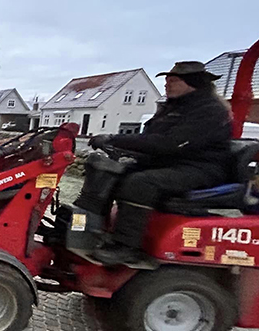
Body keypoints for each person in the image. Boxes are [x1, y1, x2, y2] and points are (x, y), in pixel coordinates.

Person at [88, 61, 232, 264]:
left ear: (192, 82)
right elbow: (149, 139)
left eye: (173, 80)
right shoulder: (174, 108)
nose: (167, 84)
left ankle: (126, 246)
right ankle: (96, 230)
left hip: (201, 169)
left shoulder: (209, 111)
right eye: (166, 80)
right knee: (113, 174)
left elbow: (170, 144)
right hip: (173, 163)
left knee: (141, 182)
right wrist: (121, 149)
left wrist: (113, 139)